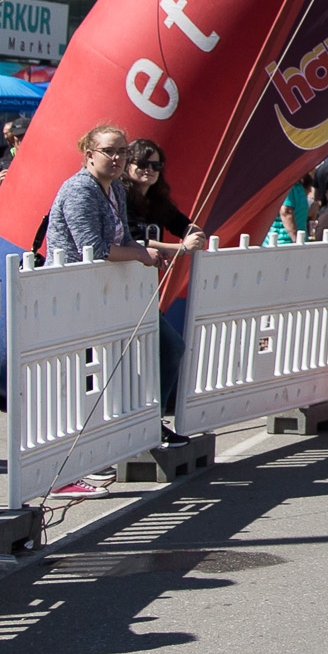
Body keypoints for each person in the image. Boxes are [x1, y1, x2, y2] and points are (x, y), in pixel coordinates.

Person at [46, 126, 195, 492]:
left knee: (165, 347)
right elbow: (92, 247)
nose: (118, 159)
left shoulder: (113, 190)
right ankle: (71, 463)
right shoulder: (80, 189)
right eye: (110, 151)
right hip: (73, 294)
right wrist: (144, 254)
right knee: (79, 378)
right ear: (89, 153)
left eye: (122, 152)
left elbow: (123, 239)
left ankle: (144, 428)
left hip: (108, 294)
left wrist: (148, 253)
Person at [122, 138, 209, 435]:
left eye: (156, 165)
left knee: (164, 350)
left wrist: (194, 234)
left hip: (145, 291)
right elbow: (133, 240)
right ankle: (146, 424)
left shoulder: (157, 199)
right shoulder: (119, 195)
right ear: (127, 164)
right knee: (169, 348)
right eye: (142, 163)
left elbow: (183, 224)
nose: (149, 170)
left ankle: (151, 422)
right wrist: (180, 248)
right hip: (118, 289)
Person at [267, 173, 312, 245]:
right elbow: (286, 212)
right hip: (284, 243)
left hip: (293, 242)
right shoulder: (287, 185)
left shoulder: (296, 186)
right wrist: (296, 240)